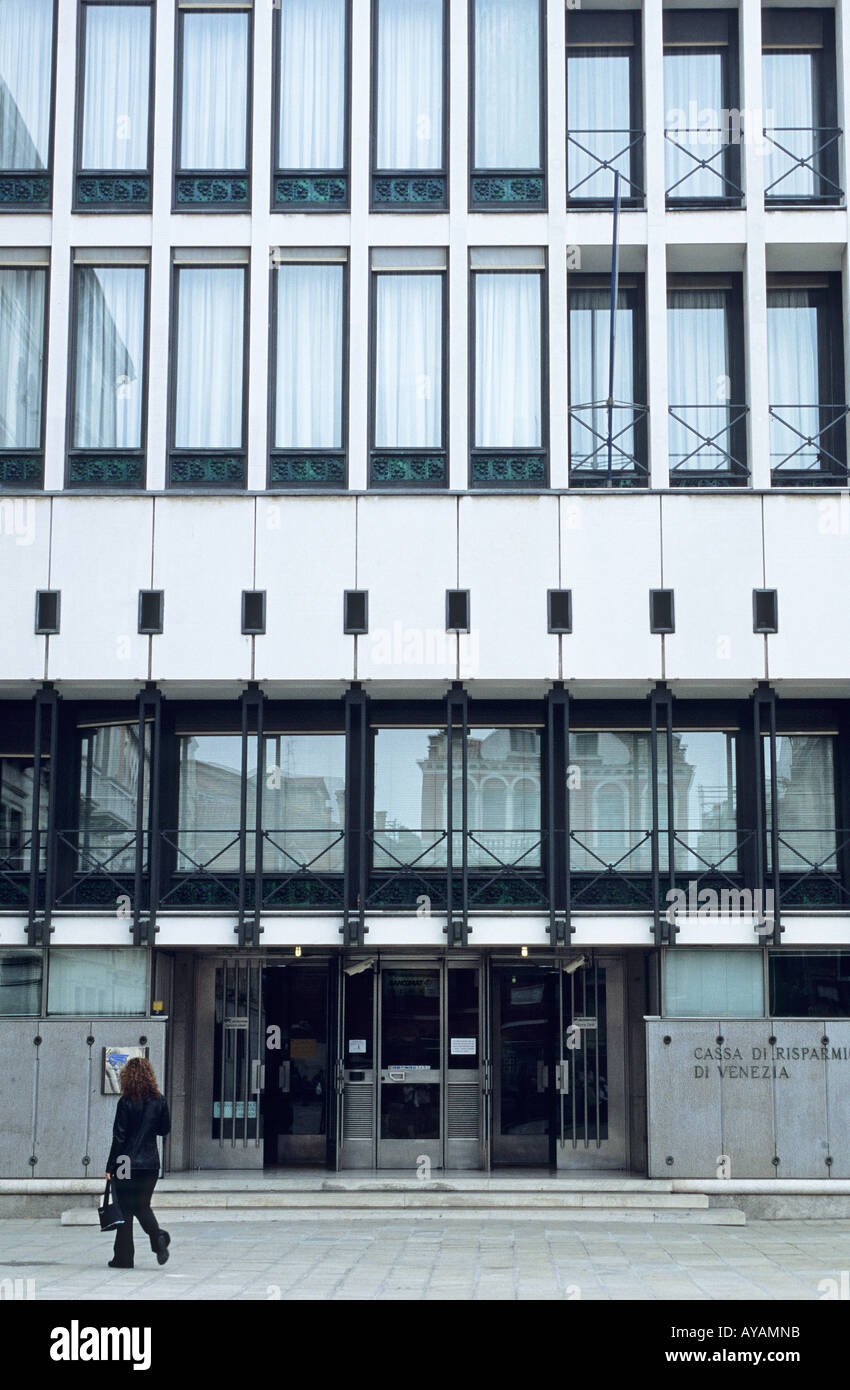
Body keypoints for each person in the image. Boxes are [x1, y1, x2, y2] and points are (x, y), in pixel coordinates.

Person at [105, 1057, 171, 1270]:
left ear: (127, 1077)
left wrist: (110, 1167)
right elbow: (164, 1130)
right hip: (150, 1163)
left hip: (125, 1162)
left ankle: (124, 1258)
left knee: (125, 1209)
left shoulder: (125, 1102)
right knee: (142, 1205)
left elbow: (119, 1137)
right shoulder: (160, 1100)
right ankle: (157, 1236)